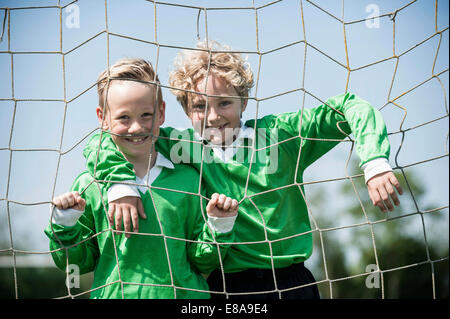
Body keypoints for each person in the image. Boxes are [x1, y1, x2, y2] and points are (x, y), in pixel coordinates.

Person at [87, 41, 404, 299]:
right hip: (226, 286)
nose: (212, 117)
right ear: (184, 110)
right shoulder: (180, 146)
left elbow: (351, 106)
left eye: (224, 103)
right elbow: (103, 142)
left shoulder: (281, 137)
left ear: (243, 100)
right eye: (199, 106)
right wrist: (121, 184)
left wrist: (375, 163)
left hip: (292, 283)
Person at [44, 58, 239, 299]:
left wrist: (218, 226)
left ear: (161, 113)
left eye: (146, 115)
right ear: (102, 117)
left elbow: (203, 262)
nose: (136, 127)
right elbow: (76, 265)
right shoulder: (89, 185)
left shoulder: (188, 180)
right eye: (124, 118)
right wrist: (64, 224)